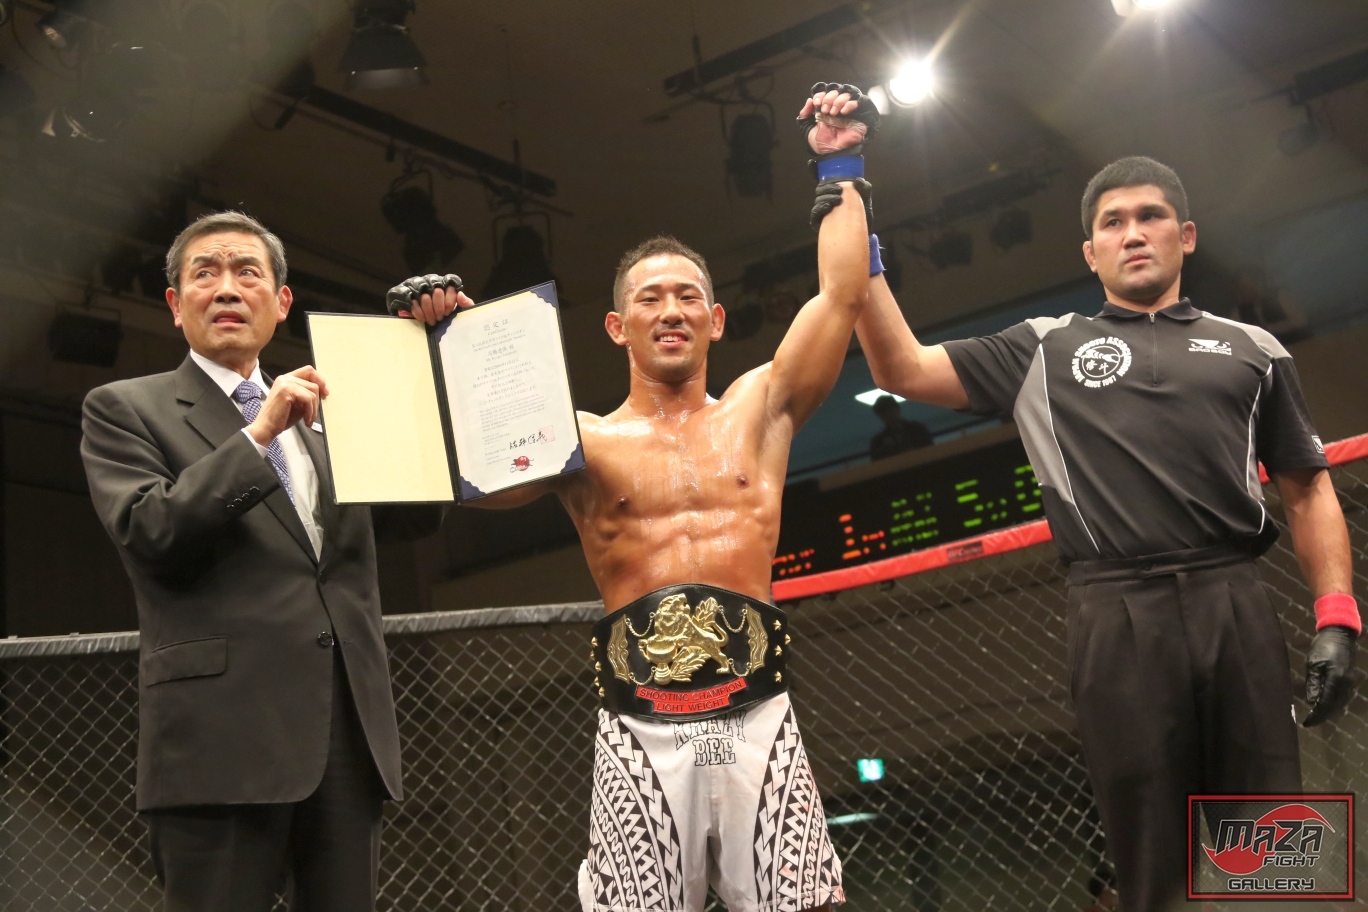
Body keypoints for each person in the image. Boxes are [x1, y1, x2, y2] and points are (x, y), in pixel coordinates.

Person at [388, 83, 879, 912]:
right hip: (640, 722)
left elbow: (841, 296)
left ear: (717, 320)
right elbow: (464, 477)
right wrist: (444, 345)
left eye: (687, 296)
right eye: (649, 299)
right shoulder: (577, 442)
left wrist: (842, 162)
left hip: (758, 709)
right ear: (617, 327)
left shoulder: (761, 412)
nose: (670, 310)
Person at [850, 155, 1358, 912]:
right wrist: (855, 236)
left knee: (1271, 857)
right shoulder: (1041, 347)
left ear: (1186, 235)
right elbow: (900, 367)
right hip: (1114, 609)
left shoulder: (1256, 348)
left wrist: (1337, 618)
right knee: (1153, 862)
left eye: (1151, 216)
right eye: (1113, 223)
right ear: (1091, 253)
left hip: (1234, 598)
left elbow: (1308, 486)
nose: (1134, 234)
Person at [80, 211, 452, 912]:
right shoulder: (125, 408)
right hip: (219, 741)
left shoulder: (335, 412)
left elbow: (418, 510)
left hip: (344, 736)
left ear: (281, 303)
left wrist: (428, 363)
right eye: (206, 273)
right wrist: (258, 435)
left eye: (246, 271)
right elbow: (149, 527)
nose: (227, 288)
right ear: (175, 304)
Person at [869, 393, 934, 459]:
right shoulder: (878, 442)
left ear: (897, 409)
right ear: (880, 416)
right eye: (884, 413)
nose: (889, 414)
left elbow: (930, 451)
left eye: (890, 410)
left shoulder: (917, 430)